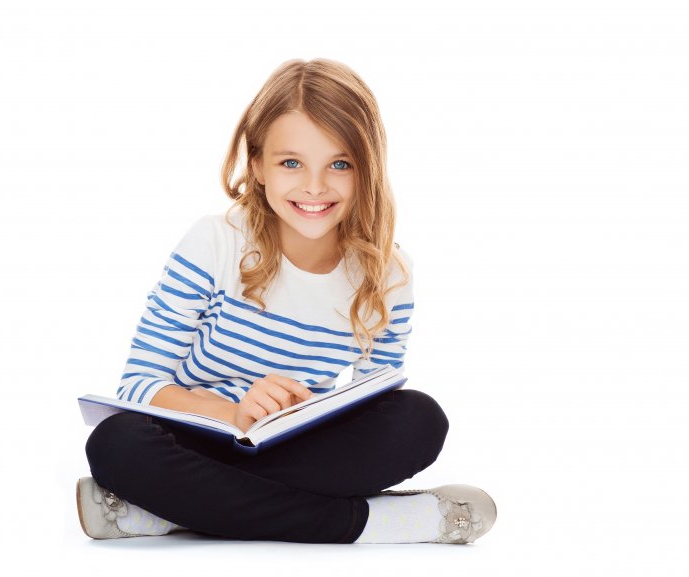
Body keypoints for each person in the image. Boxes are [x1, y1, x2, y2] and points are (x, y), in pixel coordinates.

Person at [77, 58, 497, 545]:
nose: (315, 186)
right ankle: (367, 525)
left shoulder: (389, 276)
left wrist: (302, 416)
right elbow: (138, 385)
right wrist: (234, 415)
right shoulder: (215, 243)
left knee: (418, 420)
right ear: (256, 165)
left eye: (340, 164)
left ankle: (168, 513)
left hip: (298, 451)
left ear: (368, 170)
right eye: (291, 162)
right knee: (117, 444)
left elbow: (372, 408)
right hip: (201, 441)